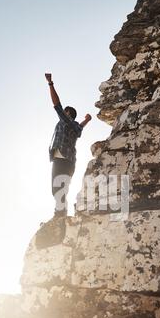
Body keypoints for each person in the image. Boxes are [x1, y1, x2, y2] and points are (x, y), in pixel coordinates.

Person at [45, 73, 92, 217]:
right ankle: (61, 211)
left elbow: (56, 104)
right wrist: (87, 120)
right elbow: (80, 128)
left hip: (62, 158)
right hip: (69, 161)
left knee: (57, 188)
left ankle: (60, 213)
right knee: (61, 187)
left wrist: (50, 83)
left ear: (67, 113)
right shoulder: (75, 126)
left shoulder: (66, 120)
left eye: (64, 112)